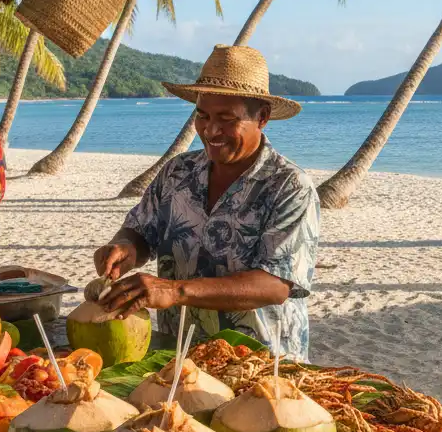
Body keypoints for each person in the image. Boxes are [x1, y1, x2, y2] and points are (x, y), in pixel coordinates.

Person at [94, 45, 320, 359]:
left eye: (227, 119)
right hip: (179, 354)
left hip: (260, 361)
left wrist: (174, 291)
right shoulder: (177, 172)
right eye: (202, 116)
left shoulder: (289, 186)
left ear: (262, 117)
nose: (211, 130)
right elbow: (141, 230)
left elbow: (276, 284)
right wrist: (125, 247)